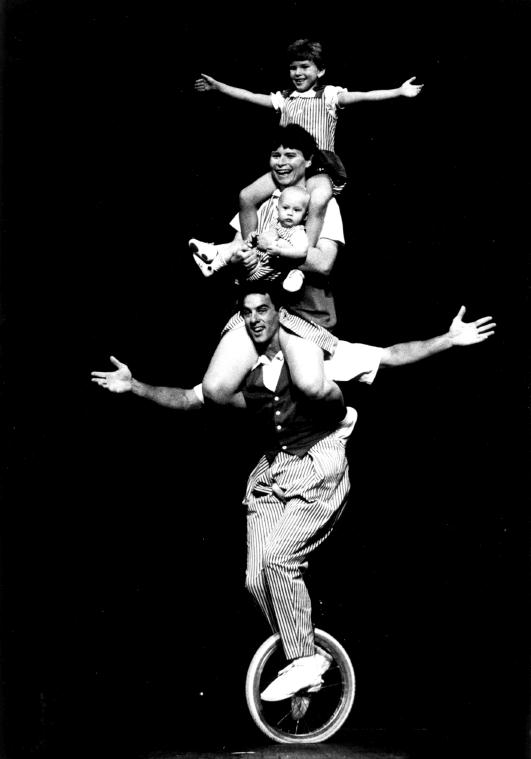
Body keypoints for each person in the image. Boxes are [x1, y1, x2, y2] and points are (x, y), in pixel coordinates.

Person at [91, 283, 495, 701]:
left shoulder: (314, 353)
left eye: (263, 309)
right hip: (273, 470)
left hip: (319, 465)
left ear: (278, 312)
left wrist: (449, 339)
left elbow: (390, 355)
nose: (256, 319)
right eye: (247, 312)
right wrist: (135, 386)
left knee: (280, 559)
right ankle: (305, 658)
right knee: (255, 579)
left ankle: (304, 660)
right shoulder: (240, 367)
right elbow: (190, 399)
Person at [195, 38, 423, 247]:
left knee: (319, 198)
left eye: (305, 67)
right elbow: (249, 96)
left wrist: (398, 91)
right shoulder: (285, 99)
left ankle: (305, 250)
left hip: (319, 167)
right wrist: (219, 87)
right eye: (293, 67)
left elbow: (363, 95)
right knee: (246, 196)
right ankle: (248, 249)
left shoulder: (329, 96)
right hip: (290, 168)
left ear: (320, 70)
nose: (298, 73)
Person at [200, 124, 346, 415]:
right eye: (275, 155)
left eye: (290, 155)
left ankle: (340, 419)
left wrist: (272, 250)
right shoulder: (261, 202)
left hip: (301, 311)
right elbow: (239, 248)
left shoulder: (322, 203)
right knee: (215, 390)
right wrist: (241, 258)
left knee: (311, 386)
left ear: (308, 161)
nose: (281, 162)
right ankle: (279, 419)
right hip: (260, 307)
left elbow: (324, 263)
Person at [190, 185, 310, 293]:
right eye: (285, 208)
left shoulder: (297, 232)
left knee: (288, 265)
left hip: (267, 271)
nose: (290, 213)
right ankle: (212, 265)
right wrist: (254, 237)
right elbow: (263, 238)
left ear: (305, 215)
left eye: (296, 210)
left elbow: (302, 252)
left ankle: (214, 253)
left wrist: (280, 251)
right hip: (254, 262)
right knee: (239, 246)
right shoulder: (275, 222)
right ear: (277, 209)